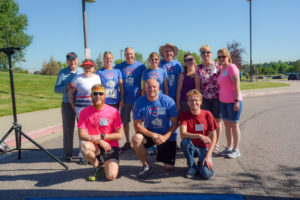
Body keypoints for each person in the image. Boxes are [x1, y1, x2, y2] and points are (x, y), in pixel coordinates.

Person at [132, 79, 178, 179]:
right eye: (149, 87)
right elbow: (137, 126)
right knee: (136, 138)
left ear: (159, 88)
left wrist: (165, 137)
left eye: (154, 87)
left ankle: (160, 150)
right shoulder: (139, 102)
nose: (151, 89)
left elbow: (175, 123)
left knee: (168, 167)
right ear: (145, 88)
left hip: (166, 135)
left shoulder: (168, 101)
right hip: (151, 134)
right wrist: (153, 135)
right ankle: (146, 165)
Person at [78, 84, 123, 181]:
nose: (98, 96)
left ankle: (108, 162)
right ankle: (96, 165)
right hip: (95, 146)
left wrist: (101, 137)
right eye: (95, 93)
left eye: (101, 94)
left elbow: (120, 135)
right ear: (91, 96)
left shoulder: (114, 111)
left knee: (111, 176)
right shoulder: (84, 112)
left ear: (105, 96)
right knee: (84, 147)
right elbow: (81, 135)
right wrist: (99, 141)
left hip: (110, 147)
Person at [68, 59, 101, 164]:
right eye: (85, 67)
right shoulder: (77, 78)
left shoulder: (97, 78)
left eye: (89, 67)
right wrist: (73, 107)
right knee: (83, 130)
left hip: (93, 107)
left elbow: (99, 93)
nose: (87, 69)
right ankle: (82, 154)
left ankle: (93, 151)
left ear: (93, 68)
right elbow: (70, 93)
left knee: (93, 129)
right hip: (81, 108)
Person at [180, 89, 218, 180]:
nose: (194, 102)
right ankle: (192, 166)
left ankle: (201, 163)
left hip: (204, 147)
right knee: (185, 142)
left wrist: (208, 156)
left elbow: (214, 137)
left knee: (207, 174)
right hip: (192, 145)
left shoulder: (207, 114)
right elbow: (183, 134)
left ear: (201, 102)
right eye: (191, 100)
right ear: (188, 103)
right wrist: (199, 135)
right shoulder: (184, 115)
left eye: (196, 100)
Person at [115, 47, 146, 152]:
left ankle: (139, 141)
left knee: (138, 121)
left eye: (131, 54)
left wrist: (143, 89)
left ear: (134, 54)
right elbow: (110, 72)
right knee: (125, 121)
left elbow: (147, 77)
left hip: (137, 99)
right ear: (124, 55)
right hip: (125, 99)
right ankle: (128, 142)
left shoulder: (141, 66)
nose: (129, 56)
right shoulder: (120, 66)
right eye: (127, 54)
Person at [54, 52, 83, 161]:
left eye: (74, 59)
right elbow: (56, 89)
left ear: (77, 60)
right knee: (68, 128)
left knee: (83, 128)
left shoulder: (81, 71)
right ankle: (68, 152)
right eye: (70, 60)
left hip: (81, 103)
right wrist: (66, 87)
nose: (73, 61)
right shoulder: (62, 73)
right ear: (67, 61)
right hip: (67, 103)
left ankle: (83, 151)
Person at [195, 44, 222, 156]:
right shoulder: (199, 68)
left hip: (217, 97)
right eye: (203, 53)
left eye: (207, 52)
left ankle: (216, 144)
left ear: (211, 54)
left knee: (217, 122)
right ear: (200, 55)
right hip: (205, 98)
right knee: (206, 122)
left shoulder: (218, 65)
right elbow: (197, 86)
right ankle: (207, 143)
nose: (205, 55)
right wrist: (198, 100)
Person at [217, 48, 243, 159]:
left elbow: (237, 85)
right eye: (219, 57)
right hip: (223, 101)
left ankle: (236, 149)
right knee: (227, 125)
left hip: (233, 101)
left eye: (223, 56)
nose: (221, 58)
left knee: (234, 124)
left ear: (228, 57)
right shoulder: (222, 69)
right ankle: (229, 147)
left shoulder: (232, 67)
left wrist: (236, 101)